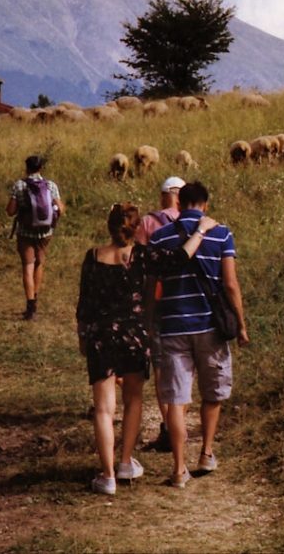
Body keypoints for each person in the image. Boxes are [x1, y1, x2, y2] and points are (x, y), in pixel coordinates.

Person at [77, 202, 219, 496]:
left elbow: (84, 304)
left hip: (101, 337)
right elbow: (179, 258)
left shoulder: (92, 257)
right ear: (137, 227)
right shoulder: (141, 255)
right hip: (134, 336)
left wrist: (83, 337)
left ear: (109, 226)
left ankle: (107, 476)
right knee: (133, 400)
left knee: (104, 409)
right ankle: (125, 462)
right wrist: (201, 231)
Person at [145, 181, 249, 488]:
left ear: (178, 203)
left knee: (176, 400)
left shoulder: (159, 237)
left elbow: (150, 287)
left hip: (173, 327)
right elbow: (230, 284)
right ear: (205, 204)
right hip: (210, 327)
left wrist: (150, 321)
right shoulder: (221, 233)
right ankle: (206, 453)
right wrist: (241, 324)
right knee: (211, 393)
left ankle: (178, 470)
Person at [135, 175, 185, 452]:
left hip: (156, 301)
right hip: (185, 303)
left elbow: (139, 265)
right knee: (183, 365)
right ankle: (180, 424)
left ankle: (168, 427)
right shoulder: (193, 222)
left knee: (160, 367)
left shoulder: (148, 222)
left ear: (164, 195)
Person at [7, 155, 65, 320]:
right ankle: (36, 297)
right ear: (40, 168)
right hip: (45, 233)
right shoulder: (50, 185)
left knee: (28, 265)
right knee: (39, 263)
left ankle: (30, 305)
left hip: (25, 232)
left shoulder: (19, 185)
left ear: (26, 168)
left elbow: (10, 211)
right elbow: (61, 209)